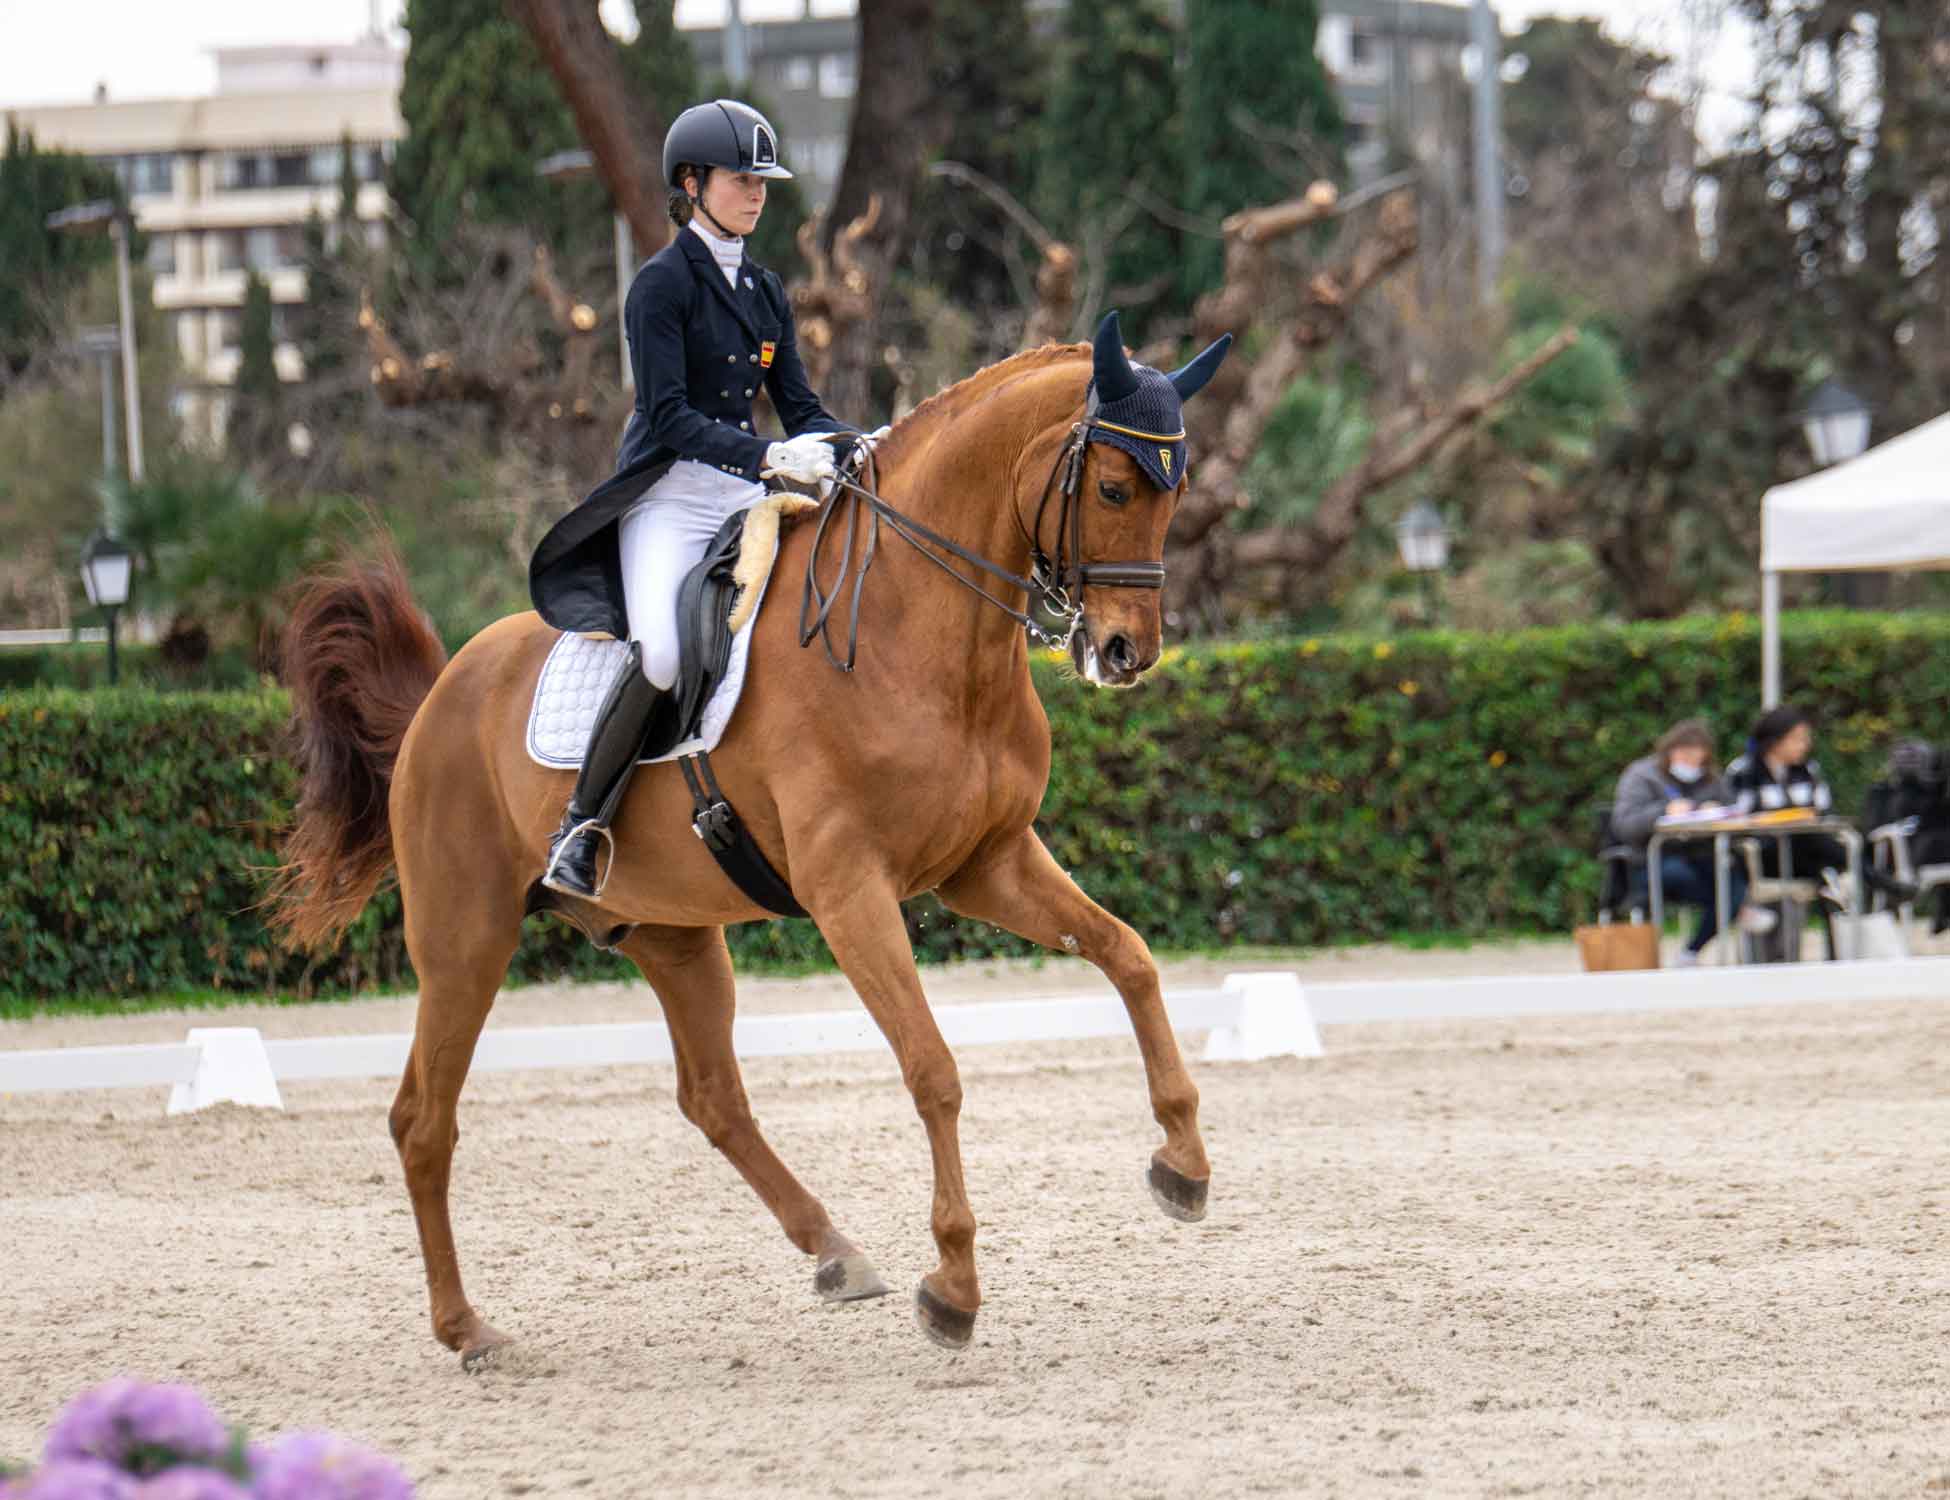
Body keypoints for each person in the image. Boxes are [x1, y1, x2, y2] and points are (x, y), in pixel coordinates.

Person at [525, 99, 873, 900]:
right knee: (667, 653)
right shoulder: (659, 286)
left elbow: (801, 408)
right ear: (692, 183)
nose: (756, 194)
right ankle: (581, 824)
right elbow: (672, 416)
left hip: (745, 486)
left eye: (763, 181)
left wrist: (860, 442)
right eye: (740, 179)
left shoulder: (765, 288)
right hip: (670, 495)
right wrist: (768, 457)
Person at [1725, 705, 1917, 916]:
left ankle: (1837, 884)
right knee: (1819, 847)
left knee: (1822, 843)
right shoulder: (1745, 771)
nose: (1804, 745)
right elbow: (1737, 816)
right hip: (1766, 852)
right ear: (1775, 740)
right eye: (1797, 739)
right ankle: (1879, 882)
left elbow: (1824, 811)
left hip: (1807, 851)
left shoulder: (1808, 770)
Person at [1611, 719, 1772, 966]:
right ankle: (1738, 910)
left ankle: (1692, 951)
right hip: (1651, 860)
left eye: (1699, 759)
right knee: (1714, 887)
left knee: (1732, 878)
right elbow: (1625, 825)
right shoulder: (1641, 776)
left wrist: (1718, 811)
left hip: (1700, 855)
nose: (1692, 764)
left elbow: (1734, 815)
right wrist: (1663, 811)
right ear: (1670, 750)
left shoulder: (1711, 780)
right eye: (1686, 757)